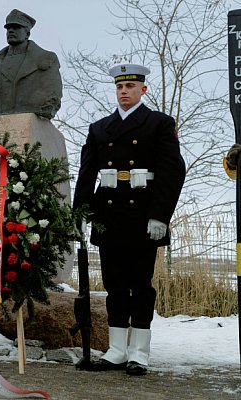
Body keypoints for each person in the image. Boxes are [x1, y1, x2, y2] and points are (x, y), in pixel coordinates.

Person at [73, 64, 186, 376]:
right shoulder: (99, 128)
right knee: (114, 285)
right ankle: (117, 350)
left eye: (130, 87)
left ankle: (139, 352)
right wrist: (79, 214)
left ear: (142, 90)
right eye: (120, 87)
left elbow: (172, 172)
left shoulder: (159, 123)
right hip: (108, 214)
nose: (124, 92)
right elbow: (86, 175)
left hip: (142, 215)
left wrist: (160, 216)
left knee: (139, 285)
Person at [0, 9, 62, 120]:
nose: (11, 31)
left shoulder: (45, 59)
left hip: (29, 119)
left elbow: (51, 95)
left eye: (16, 27)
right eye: (8, 28)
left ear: (27, 34)